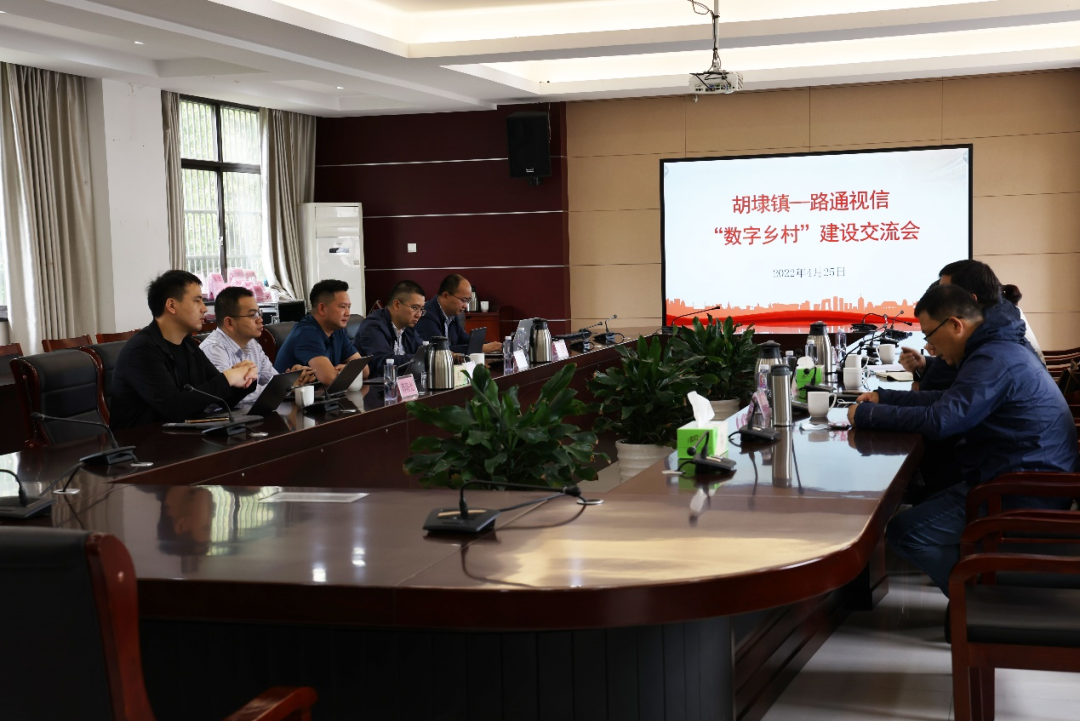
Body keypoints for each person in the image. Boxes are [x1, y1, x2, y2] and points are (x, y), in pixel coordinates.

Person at [847, 284, 1077, 595]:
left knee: (906, 532)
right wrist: (886, 398)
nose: (929, 347)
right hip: (1020, 474)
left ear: (956, 325)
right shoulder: (997, 346)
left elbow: (942, 420)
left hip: (1023, 490)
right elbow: (950, 400)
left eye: (929, 335)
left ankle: (983, 600)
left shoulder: (994, 357)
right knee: (923, 502)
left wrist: (867, 416)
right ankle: (982, 587)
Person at [110, 270, 258, 430]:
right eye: (197, 301)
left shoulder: (187, 344)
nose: (204, 309)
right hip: (143, 440)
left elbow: (222, 398)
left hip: (183, 435)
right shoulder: (141, 350)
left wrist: (246, 379)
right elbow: (174, 407)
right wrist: (227, 378)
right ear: (172, 306)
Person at [198, 286, 315, 408]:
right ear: (229, 323)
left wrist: (291, 379)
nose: (260, 320)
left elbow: (271, 379)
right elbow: (230, 395)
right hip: (223, 416)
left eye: (259, 313)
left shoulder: (252, 343)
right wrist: (285, 387)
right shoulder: (213, 349)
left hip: (252, 412)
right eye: (253, 315)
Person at [273, 279, 367, 386]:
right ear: (322, 309)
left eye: (348, 307)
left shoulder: (337, 330)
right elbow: (330, 378)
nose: (348, 313)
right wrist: (350, 370)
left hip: (320, 394)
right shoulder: (306, 333)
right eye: (342, 307)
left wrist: (345, 370)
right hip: (291, 396)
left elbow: (365, 370)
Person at [415, 274, 502, 354]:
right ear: (445, 296)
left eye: (468, 301)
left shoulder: (452, 313)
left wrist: (492, 346)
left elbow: (464, 339)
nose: (465, 306)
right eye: (463, 300)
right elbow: (440, 350)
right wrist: (480, 348)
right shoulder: (426, 316)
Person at [355, 280, 425, 375]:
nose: (419, 315)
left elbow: (421, 351)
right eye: (415, 308)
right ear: (396, 305)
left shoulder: (407, 327)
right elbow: (384, 362)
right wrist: (421, 358)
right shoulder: (373, 326)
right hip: (376, 383)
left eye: (421, 309)